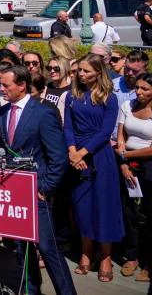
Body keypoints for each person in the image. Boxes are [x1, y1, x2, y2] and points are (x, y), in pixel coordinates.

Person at [0, 65, 76, 295]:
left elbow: (58, 158)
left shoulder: (42, 113)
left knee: (48, 248)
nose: (1, 89)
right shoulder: (2, 113)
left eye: (5, 85)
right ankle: (31, 289)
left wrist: (45, 188)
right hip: (14, 193)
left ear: (22, 86)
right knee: (22, 248)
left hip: (37, 193)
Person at [63, 53, 123, 282]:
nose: (81, 74)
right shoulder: (72, 95)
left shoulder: (110, 97)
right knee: (82, 206)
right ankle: (86, 251)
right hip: (76, 155)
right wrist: (72, 151)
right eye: (80, 70)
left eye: (87, 71)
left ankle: (106, 255)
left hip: (99, 157)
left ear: (99, 73)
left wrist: (82, 152)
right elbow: (67, 126)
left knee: (104, 206)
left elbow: (105, 132)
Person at [117, 72, 152, 282]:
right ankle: (132, 256)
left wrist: (124, 154)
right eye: (138, 88)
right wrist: (124, 164)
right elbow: (121, 136)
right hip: (129, 165)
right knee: (130, 212)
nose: (139, 92)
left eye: (145, 89)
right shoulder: (127, 107)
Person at [43, 55, 72, 121]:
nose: (52, 71)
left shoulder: (71, 91)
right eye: (49, 68)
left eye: (56, 69)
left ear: (65, 69)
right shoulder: (45, 87)